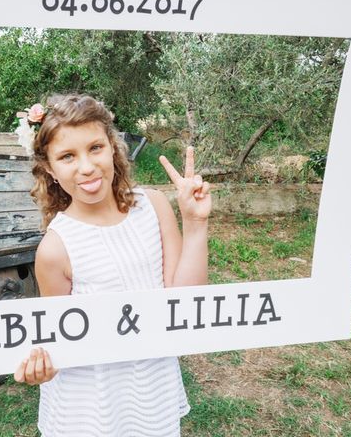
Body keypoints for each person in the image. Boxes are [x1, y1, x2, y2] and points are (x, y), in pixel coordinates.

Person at [13, 94, 211, 436]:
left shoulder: (154, 206)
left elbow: (184, 305)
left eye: (95, 148)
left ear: (113, 148)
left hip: (151, 387)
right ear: (49, 168)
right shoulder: (55, 248)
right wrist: (44, 365)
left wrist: (194, 224)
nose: (87, 167)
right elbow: (58, 341)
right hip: (91, 404)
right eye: (67, 156)